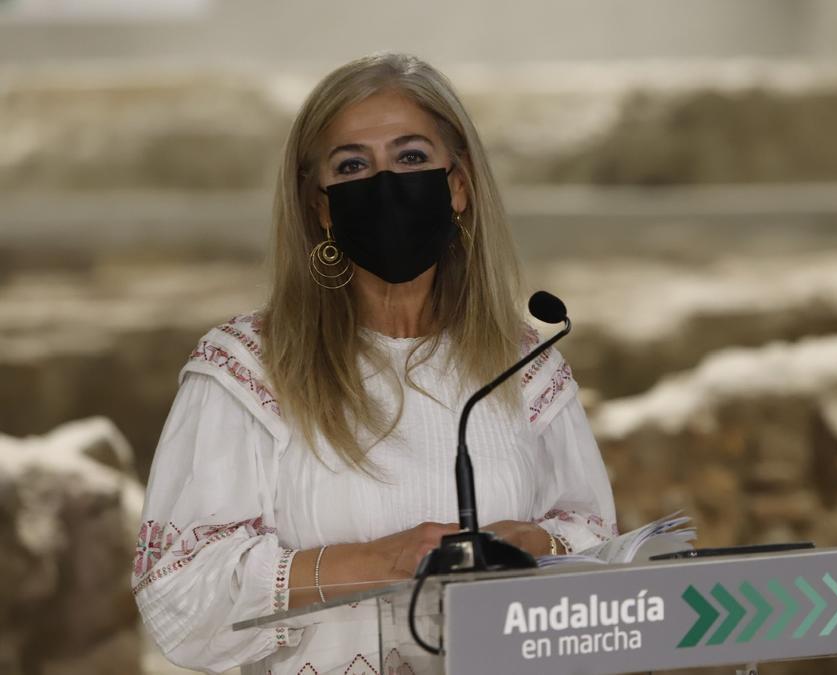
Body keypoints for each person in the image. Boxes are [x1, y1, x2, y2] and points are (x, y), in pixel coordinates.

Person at [131, 52, 617, 675]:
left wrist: (535, 545)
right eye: (353, 165)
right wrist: (378, 561)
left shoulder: (524, 364)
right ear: (323, 206)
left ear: (460, 186)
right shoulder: (247, 368)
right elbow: (176, 594)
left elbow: (599, 543)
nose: (386, 183)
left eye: (412, 157)